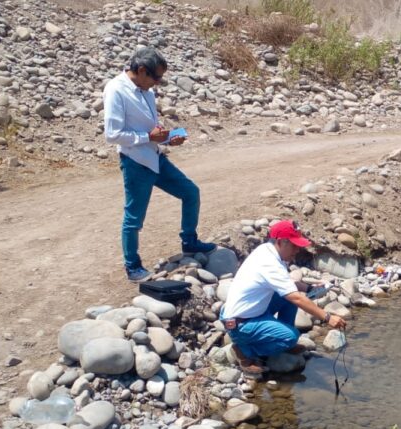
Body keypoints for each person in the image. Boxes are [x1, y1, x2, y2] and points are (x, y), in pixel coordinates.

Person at [103, 46, 216, 283]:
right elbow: (112, 134)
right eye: (156, 77)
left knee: (190, 192)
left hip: (154, 156)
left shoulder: (146, 91)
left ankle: (189, 241)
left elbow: (150, 130)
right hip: (135, 161)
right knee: (134, 217)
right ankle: (132, 267)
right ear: (142, 71)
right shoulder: (116, 89)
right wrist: (148, 138)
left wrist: (168, 138)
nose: (158, 83)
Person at [221, 220, 347, 374]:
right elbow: (297, 298)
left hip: (243, 313)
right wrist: (328, 317)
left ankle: (279, 340)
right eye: (294, 245)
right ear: (281, 242)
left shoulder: (267, 250)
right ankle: (244, 350)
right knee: (292, 335)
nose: (297, 250)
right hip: (239, 323)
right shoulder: (270, 263)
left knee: (288, 295)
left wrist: (309, 288)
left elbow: (287, 283)